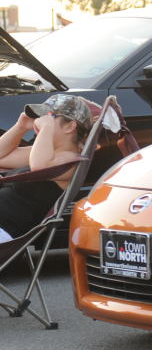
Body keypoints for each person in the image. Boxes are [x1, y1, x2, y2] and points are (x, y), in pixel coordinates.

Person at [0, 94, 94, 243]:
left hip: (6, 226)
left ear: (70, 126)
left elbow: (40, 167)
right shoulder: (44, 153)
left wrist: (46, 128)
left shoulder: (71, 160)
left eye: (49, 116)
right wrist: (20, 127)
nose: (40, 120)